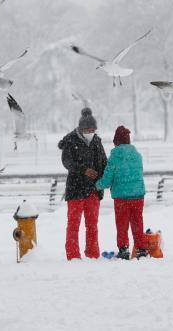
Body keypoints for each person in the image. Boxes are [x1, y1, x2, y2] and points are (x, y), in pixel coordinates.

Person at [58, 107, 107, 260]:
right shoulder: (70, 141)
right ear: (81, 128)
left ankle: (93, 254)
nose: (91, 131)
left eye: (94, 129)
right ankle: (73, 256)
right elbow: (67, 162)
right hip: (75, 189)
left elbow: (104, 162)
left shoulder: (97, 141)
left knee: (92, 226)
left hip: (93, 190)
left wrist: (102, 176)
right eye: (88, 129)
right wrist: (84, 170)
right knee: (73, 225)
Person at [96, 125, 148, 260]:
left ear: (116, 141)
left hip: (122, 197)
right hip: (138, 195)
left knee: (122, 224)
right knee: (138, 222)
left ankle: (124, 249)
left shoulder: (115, 156)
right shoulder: (137, 155)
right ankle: (141, 249)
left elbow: (107, 180)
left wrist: (97, 185)